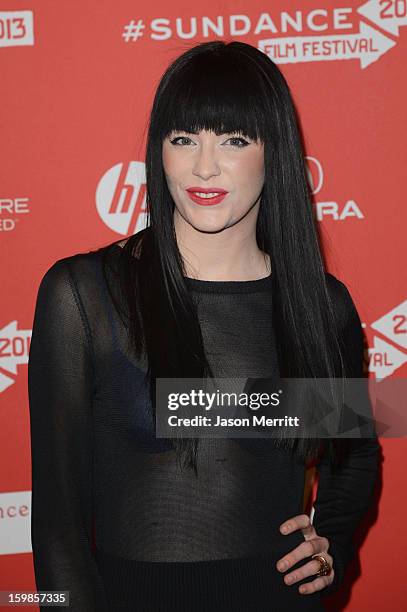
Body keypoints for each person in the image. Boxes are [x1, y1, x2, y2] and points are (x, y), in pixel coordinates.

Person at [28, 40, 379, 611]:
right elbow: (58, 531)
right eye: (183, 138)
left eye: (234, 140)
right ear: (159, 151)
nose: (204, 166)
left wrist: (332, 544)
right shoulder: (86, 296)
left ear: (275, 152)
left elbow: (357, 456)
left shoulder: (319, 306)